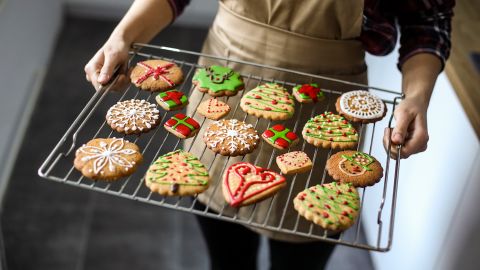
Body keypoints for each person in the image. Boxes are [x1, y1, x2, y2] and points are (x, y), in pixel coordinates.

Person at [84, 1, 455, 269]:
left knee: (303, 252)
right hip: (223, 77)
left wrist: (417, 98)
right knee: (224, 245)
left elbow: (428, 20)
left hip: (326, 100)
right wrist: (123, 36)